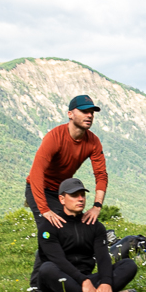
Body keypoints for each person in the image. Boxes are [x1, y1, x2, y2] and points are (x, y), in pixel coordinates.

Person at [31, 177, 139, 292]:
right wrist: (83, 280)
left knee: (128, 265)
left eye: (82, 195)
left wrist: (106, 282)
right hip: (61, 280)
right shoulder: (49, 226)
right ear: (62, 199)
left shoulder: (94, 226)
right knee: (46, 269)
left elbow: (103, 258)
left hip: (88, 280)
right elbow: (58, 260)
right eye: (74, 195)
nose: (80, 199)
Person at [26, 94, 108, 230]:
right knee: (52, 230)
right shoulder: (55, 137)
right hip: (39, 188)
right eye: (84, 111)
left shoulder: (94, 142)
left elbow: (101, 175)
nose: (89, 115)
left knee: (80, 230)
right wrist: (44, 209)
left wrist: (97, 206)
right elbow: (36, 172)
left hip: (63, 192)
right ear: (70, 114)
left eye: (91, 112)